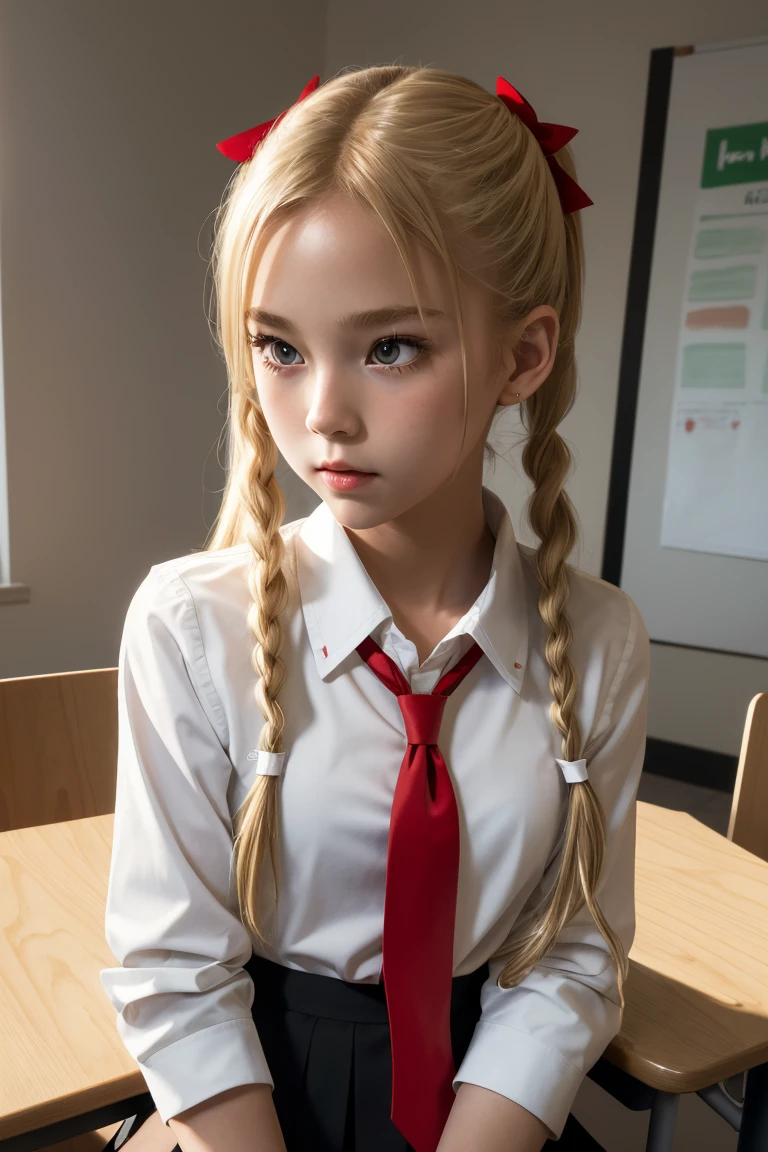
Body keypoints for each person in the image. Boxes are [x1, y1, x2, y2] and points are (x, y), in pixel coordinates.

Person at [99, 64, 651, 1152]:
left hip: (485, 1103)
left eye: (391, 348)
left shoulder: (599, 642)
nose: (323, 417)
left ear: (521, 356)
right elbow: (174, 970)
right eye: (280, 348)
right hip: (247, 1101)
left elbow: (571, 958)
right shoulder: (187, 626)